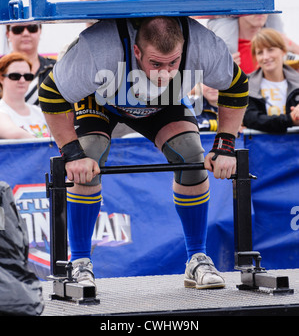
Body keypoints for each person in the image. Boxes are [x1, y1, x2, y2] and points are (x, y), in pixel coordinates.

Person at [39, 16, 249, 290]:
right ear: (136, 51)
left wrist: (225, 145)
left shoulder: (203, 44)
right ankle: (79, 263)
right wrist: (72, 153)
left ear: (184, 48)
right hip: (102, 99)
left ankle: (197, 257)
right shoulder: (100, 48)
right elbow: (51, 93)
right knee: (88, 156)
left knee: (191, 156)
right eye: (156, 63)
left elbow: (236, 85)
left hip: (164, 103)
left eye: (173, 62)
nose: (165, 73)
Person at [243, 28, 299, 133]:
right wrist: (290, 120)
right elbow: (250, 118)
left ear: (283, 51)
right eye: (260, 52)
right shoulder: (245, 84)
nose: (265, 57)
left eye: (270, 49)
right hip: (261, 148)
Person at [0, 52, 50, 139]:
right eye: (15, 76)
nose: (22, 80)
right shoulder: (2, 110)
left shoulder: (40, 112)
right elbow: (14, 133)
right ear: (1, 78)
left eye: (27, 76)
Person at [5, 23, 55, 105]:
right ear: (8, 34)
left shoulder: (55, 69)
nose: (25, 33)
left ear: (40, 31)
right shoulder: (1, 69)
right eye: (18, 29)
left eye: (32, 28)